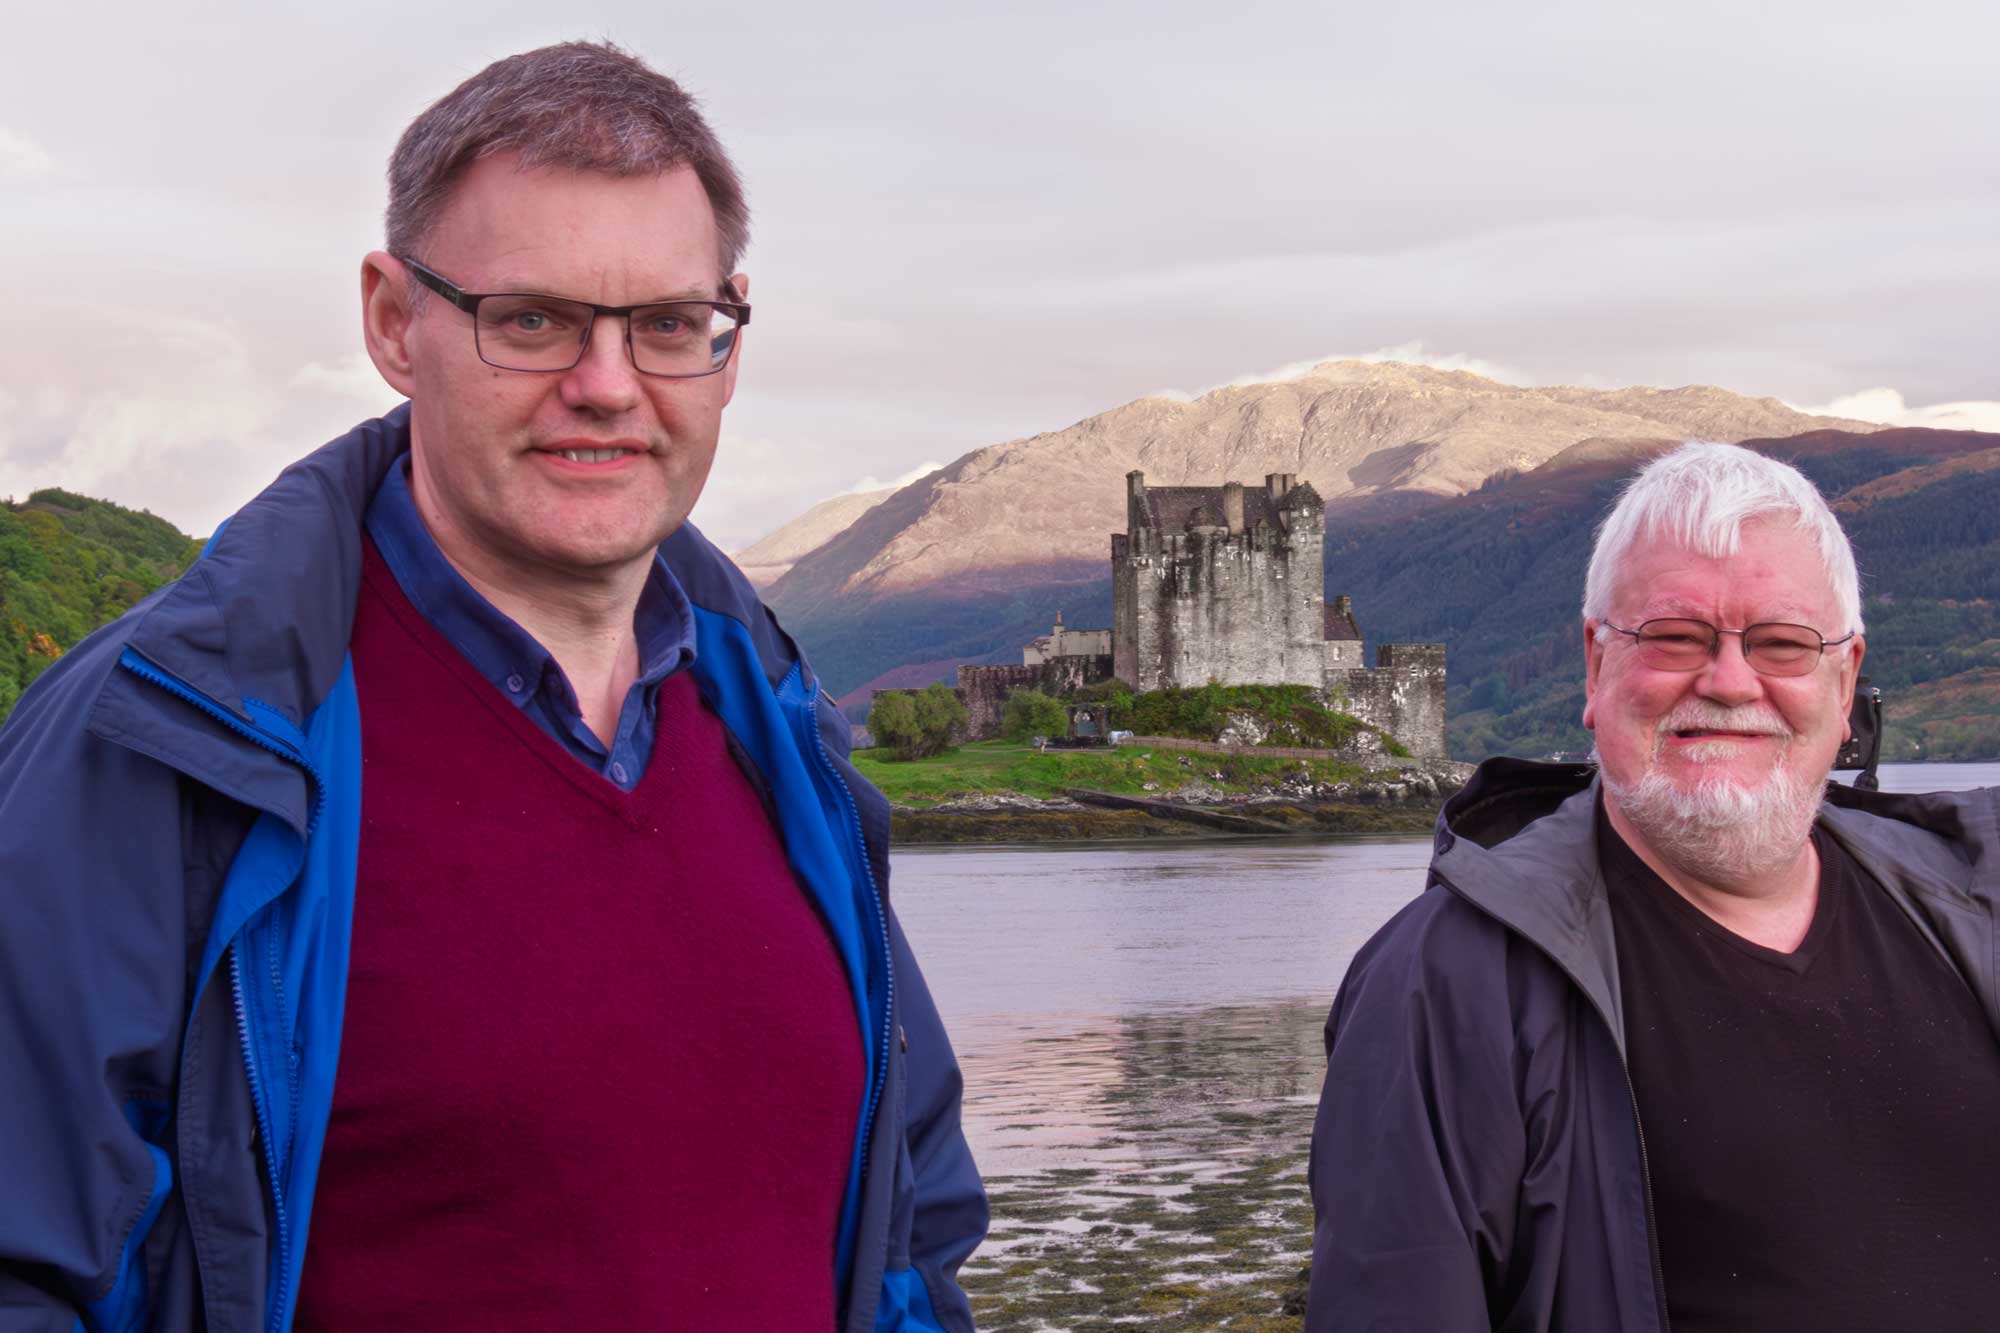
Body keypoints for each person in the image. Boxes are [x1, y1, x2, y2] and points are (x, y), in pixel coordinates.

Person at [0, 42, 986, 1332]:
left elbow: (906, 1237)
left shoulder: (781, 734)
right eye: (530, 319)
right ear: (392, 320)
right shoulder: (158, 745)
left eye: (667, 326)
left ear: (728, 337)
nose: (606, 385)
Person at [1306, 442, 2000, 1331]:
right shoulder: (1443, 985)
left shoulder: (1970, 912)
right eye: (1675, 637)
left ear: (1845, 677)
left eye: (1783, 644)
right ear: (1596, 666)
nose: (1728, 681)